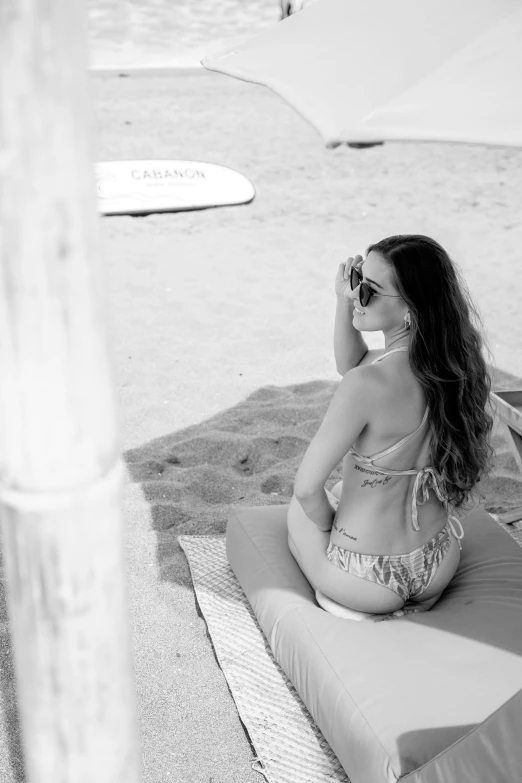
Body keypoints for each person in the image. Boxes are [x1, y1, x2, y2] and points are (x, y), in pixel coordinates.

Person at [287, 235, 494, 621]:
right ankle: (417, 601)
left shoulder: (365, 384)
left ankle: (357, 606)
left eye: (369, 291)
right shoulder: (452, 366)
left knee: (301, 510)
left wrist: (333, 526)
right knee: (341, 490)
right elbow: (352, 362)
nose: (356, 295)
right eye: (357, 282)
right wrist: (344, 300)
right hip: (436, 563)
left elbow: (305, 488)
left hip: (365, 577)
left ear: (410, 310)